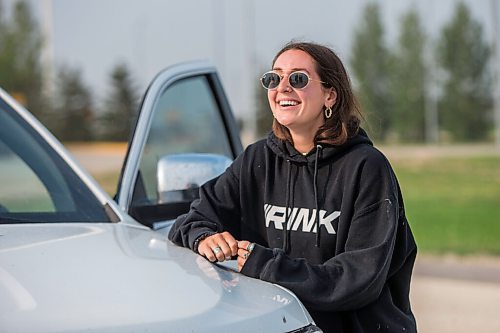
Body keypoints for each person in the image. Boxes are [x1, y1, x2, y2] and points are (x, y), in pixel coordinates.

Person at [168, 41, 417, 333]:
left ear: (330, 95)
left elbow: (358, 280)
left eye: (298, 78)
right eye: (273, 78)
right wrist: (204, 237)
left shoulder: (366, 167)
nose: (282, 87)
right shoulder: (256, 159)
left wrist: (267, 265)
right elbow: (191, 220)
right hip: (278, 326)